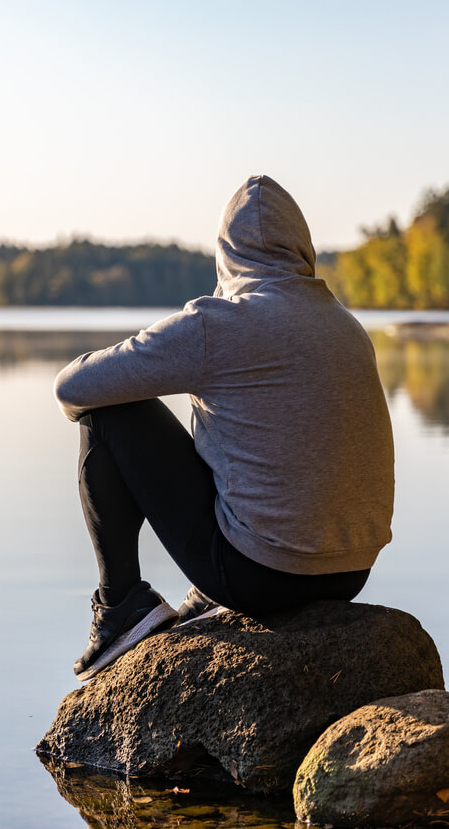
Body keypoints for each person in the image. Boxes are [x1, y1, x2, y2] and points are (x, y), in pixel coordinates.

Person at [54, 175, 394, 681]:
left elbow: (73, 387)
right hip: (350, 572)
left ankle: (121, 605)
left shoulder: (219, 323)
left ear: (227, 253)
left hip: (260, 575)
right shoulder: (346, 326)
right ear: (303, 248)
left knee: (110, 414)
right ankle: (204, 591)